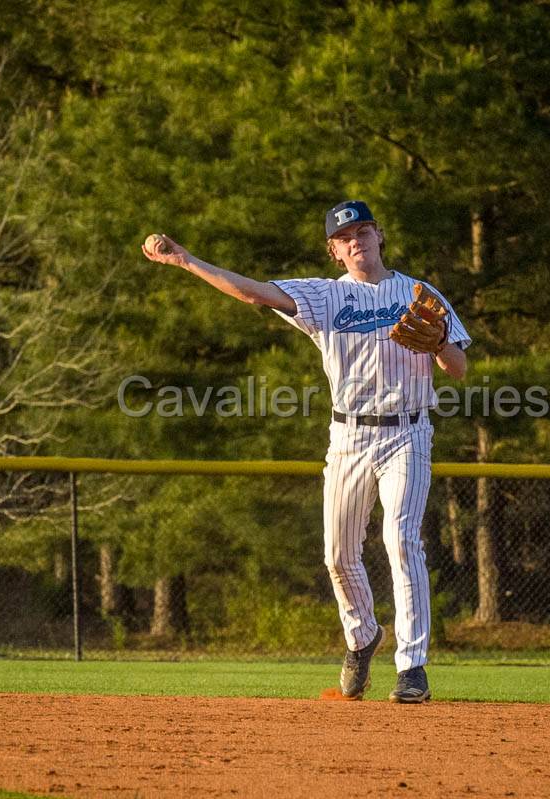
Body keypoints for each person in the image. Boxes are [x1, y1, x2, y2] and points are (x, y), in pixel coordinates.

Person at [142, 200, 470, 703]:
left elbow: (459, 369)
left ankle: (412, 668)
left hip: (408, 432)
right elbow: (254, 293)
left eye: (363, 231)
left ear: (380, 236)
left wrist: (441, 342)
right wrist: (187, 261)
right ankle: (362, 637)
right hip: (348, 437)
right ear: (335, 252)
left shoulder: (421, 294)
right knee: (338, 555)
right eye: (345, 238)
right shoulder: (323, 297)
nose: (356, 241)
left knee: (402, 540)